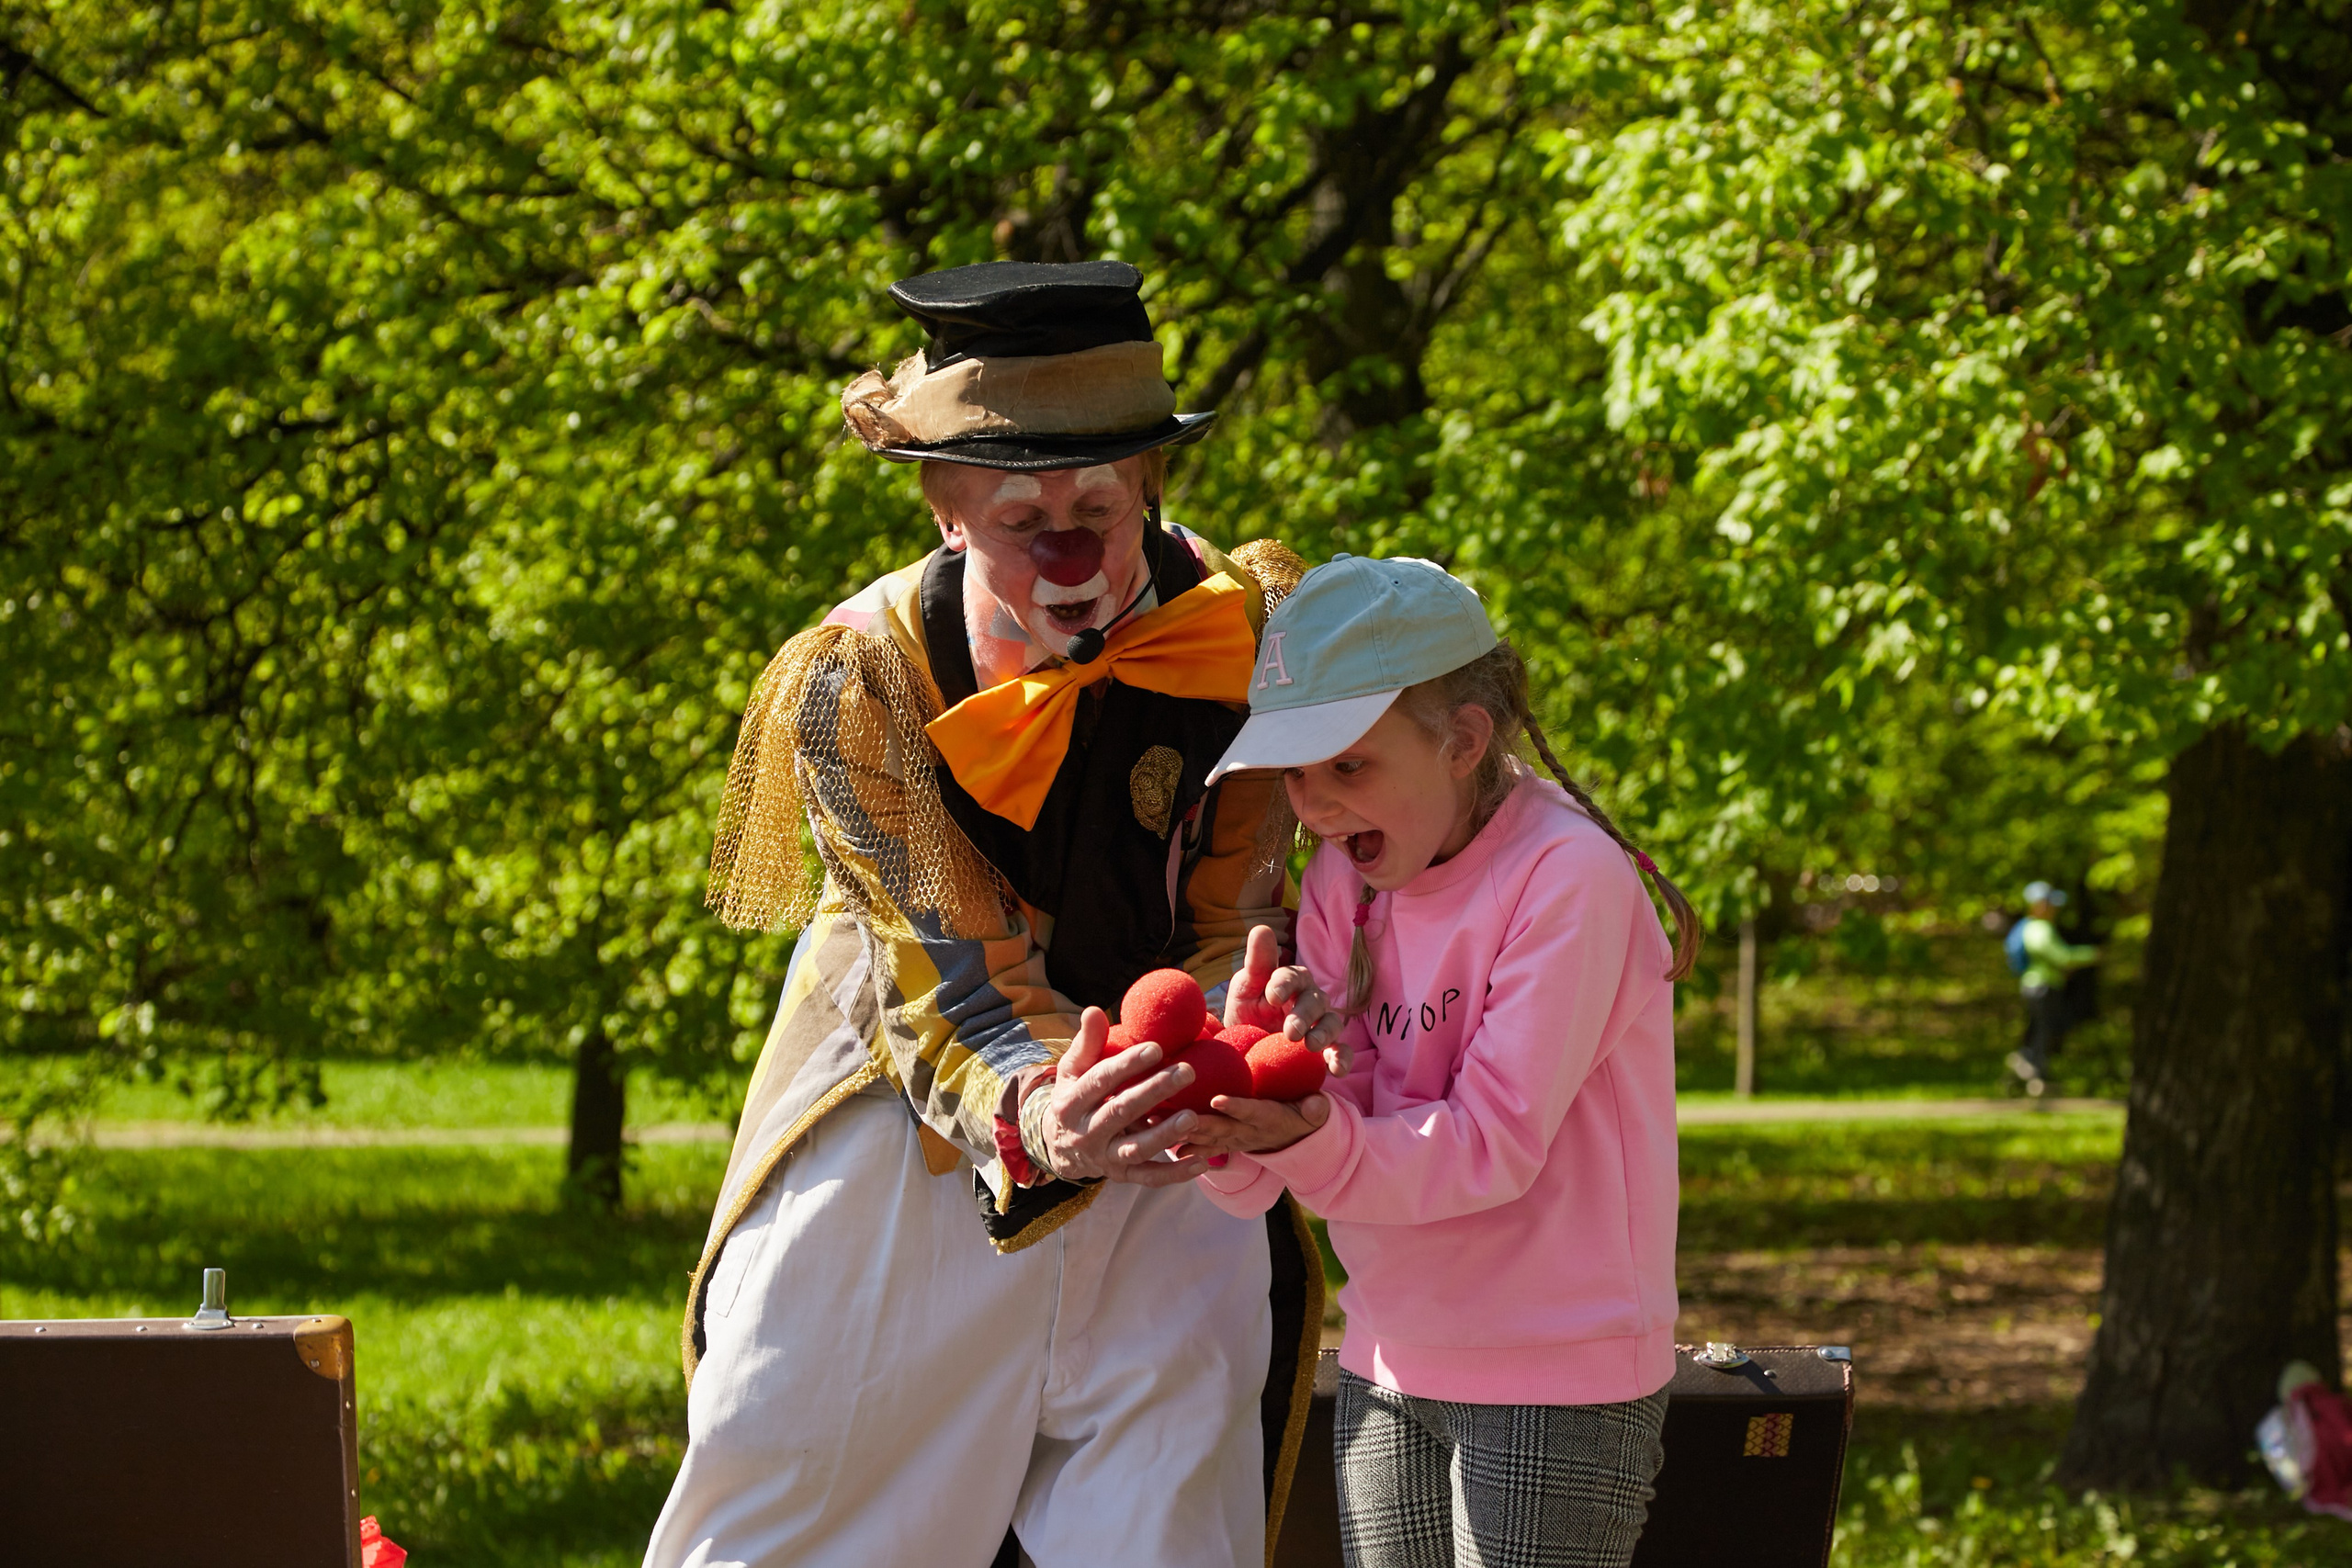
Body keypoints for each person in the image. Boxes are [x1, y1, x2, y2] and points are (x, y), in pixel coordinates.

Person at [644, 260, 1329, 1568]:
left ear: (1152, 488)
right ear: (948, 509)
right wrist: (1042, 1110)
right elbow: (951, 982)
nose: (1069, 548)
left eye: (1097, 504)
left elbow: (1238, 907)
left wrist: (1228, 1051)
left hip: (1160, 1129)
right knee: (810, 1511)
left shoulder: (1251, 630)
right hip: (915, 1135)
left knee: (1167, 1521)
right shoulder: (860, 672)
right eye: (1025, 515)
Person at [1179, 555, 1702, 1568]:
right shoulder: (1345, 876)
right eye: (1295, 770)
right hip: (1387, 1357)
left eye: (1347, 764)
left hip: (1556, 1375)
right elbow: (1337, 1125)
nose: (1315, 806)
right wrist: (1245, 1097)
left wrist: (1308, 1133)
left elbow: (1487, 1147)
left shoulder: (1566, 876)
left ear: (1463, 741)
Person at [2007, 880, 2098, 1094]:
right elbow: (2061, 957)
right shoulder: (2039, 929)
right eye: (2050, 903)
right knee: (2049, 1028)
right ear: (2039, 904)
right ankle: (2031, 1068)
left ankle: (2032, 1070)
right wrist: (2093, 954)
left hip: (2036, 985)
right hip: (2042, 985)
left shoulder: (2033, 927)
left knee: (2041, 1029)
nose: (2055, 908)